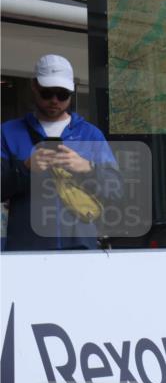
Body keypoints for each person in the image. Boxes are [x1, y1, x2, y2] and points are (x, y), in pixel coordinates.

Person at [1, 54, 121, 251]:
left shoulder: (91, 134)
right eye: (47, 93)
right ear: (34, 86)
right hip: (27, 252)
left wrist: (87, 168)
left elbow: (116, 191)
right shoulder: (8, 133)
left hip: (80, 251)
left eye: (62, 94)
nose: (55, 101)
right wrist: (24, 168)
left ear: (72, 91)